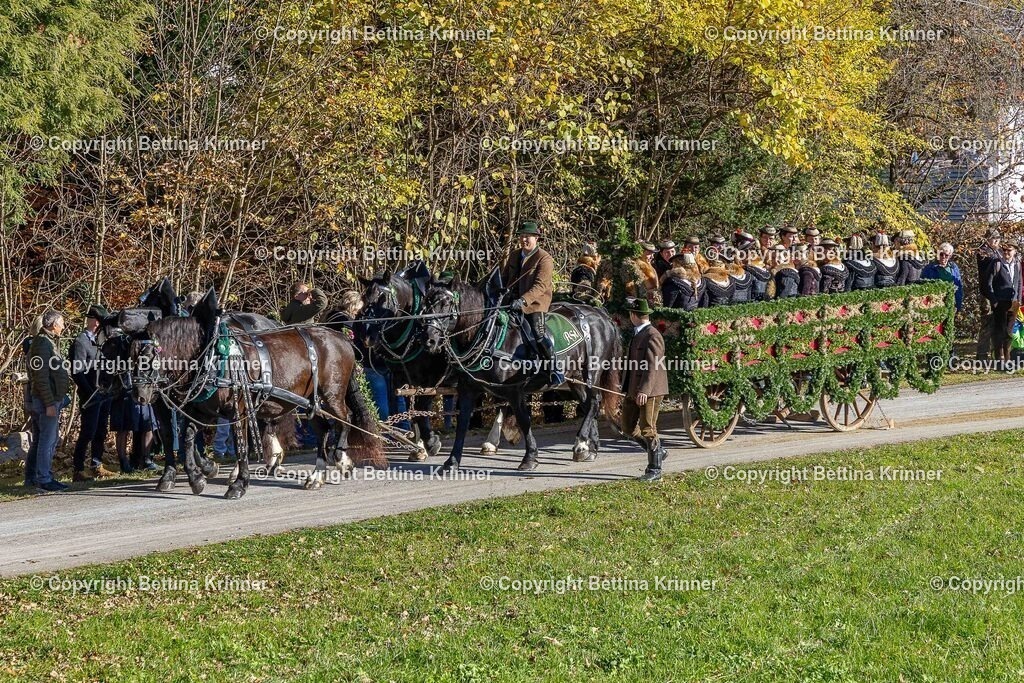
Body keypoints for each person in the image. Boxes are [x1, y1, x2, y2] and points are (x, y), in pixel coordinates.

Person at [500, 220, 561, 385]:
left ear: (536, 238)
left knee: (538, 332)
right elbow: (504, 278)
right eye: (522, 236)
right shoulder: (514, 255)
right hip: (511, 302)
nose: (524, 240)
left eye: (528, 236)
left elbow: (540, 286)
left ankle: (555, 368)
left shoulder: (544, 259)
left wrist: (523, 300)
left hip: (535, 303)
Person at [620, 298, 669, 482]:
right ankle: (659, 451)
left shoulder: (652, 335)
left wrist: (644, 391)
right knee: (627, 428)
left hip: (651, 391)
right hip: (634, 389)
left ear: (634, 315)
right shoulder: (638, 333)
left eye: (629, 314)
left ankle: (655, 470)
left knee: (648, 429)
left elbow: (653, 366)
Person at [28, 310, 71, 492]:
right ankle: (44, 479)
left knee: (43, 439)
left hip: (52, 399)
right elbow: (41, 377)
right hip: (47, 401)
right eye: (61, 323)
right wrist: (49, 404)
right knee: (47, 439)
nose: (63, 326)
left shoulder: (47, 342)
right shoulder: (43, 343)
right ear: (53, 325)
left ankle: (42, 477)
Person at [70, 305, 113, 481]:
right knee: (88, 431)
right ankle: (78, 469)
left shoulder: (101, 341)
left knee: (101, 430)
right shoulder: (81, 342)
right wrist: (89, 393)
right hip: (90, 395)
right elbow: (77, 372)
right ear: (95, 322)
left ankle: (97, 464)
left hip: (103, 393)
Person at [985, 239, 1021, 363]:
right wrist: (994, 300)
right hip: (1000, 302)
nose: (1006, 252)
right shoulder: (996, 263)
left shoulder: (1017, 264)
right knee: (1000, 330)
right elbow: (987, 284)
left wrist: (1018, 300)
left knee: (1009, 331)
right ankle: (999, 358)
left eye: (1009, 250)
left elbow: (1019, 282)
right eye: (1004, 250)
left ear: (1015, 251)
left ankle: (1007, 358)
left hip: (1013, 303)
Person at [976, 228, 1001, 360]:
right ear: (987, 239)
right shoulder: (983, 251)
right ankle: (982, 354)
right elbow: (990, 263)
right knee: (987, 321)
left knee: (996, 322)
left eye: (997, 238)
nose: (996, 241)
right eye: (993, 238)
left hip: (997, 292)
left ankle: (995, 352)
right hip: (986, 292)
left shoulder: (997, 251)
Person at [921, 242, 964, 311]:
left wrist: (958, 305)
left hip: (951, 304)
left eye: (946, 255)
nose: (943, 257)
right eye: (941, 254)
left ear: (950, 256)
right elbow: (923, 286)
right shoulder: (929, 268)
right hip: (935, 305)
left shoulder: (954, 268)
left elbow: (959, 287)